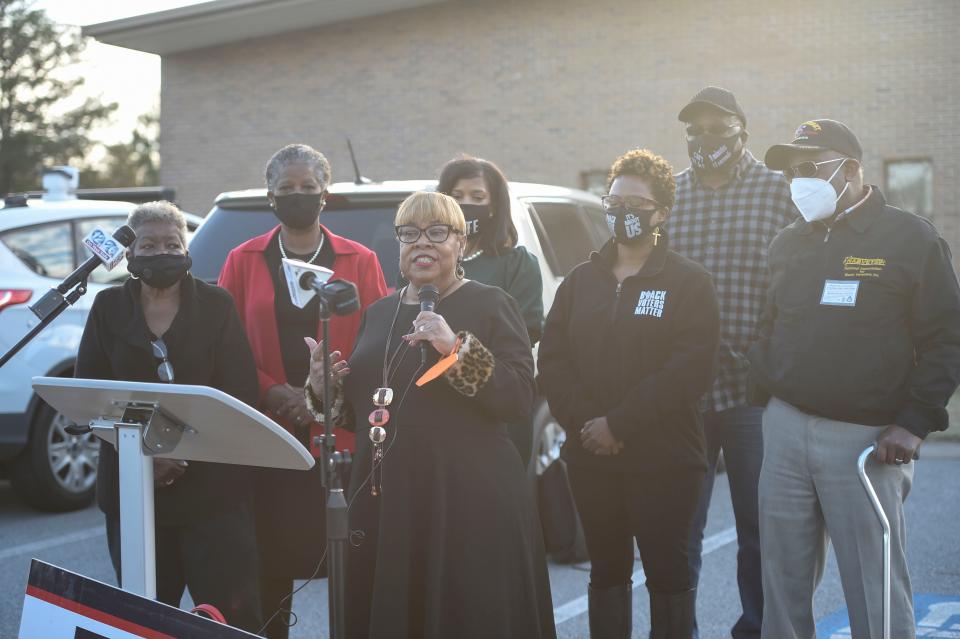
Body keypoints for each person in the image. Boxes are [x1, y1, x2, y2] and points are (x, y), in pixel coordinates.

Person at [307, 191, 556, 639]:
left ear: (460, 243)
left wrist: (455, 350)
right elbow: (368, 412)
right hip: (389, 501)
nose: (422, 243)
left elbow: (519, 397)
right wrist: (324, 392)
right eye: (410, 234)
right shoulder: (379, 312)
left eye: (437, 233)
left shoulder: (491, 303)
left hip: (467, 501)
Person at [750, 119, 960, 639]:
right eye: (791, 171)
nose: (799, 179)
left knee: (875, 584)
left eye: (810, 167)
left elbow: (947, 337)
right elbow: (769, 324)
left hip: (867, 442)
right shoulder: (787, 244)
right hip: (787, 428)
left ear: (851, 169)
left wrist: (914, 422)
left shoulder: (909, 239)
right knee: (781, 579)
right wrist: (769, 396)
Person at [538, 149, 720, 638]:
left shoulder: (688, 282)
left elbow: (689, 369)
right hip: (591, 455)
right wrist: (589, 424)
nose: (621, 212)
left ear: (660, 212)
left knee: (667, 570)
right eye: (613, 200)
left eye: (635, 203)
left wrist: (619, 424)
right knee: (607, 569)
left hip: (665, 457)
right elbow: (554, 362)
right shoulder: (580, 282)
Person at [218, 143, 387, 638]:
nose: (297, 196)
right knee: (269, 564)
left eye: (307, 188)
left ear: (325, 196)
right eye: (286, 189)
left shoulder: (359, 259)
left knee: (349, 561)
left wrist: (322, 394)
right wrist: (276, 393)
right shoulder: (242, 259)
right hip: (267, 435)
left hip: (343, 437)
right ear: (270, 197)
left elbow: (377, 342)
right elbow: (224, 347)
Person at [77, 201, 262, 632]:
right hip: (132, 489)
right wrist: (146, 455)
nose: (162, 253)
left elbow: (240, 393)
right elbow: (88, 397)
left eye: (172, 243)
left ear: (186, 248)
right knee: (144, 619)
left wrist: (176, 452)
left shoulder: (217, 305)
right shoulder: (107, 308)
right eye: (149, 245)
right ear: (129, 254)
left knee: (230, 618)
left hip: (212, 494)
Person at [670, 86, 795, 639]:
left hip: (753, 391)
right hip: (684, 392)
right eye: (694, 130)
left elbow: (801, 282)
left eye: (715, 127)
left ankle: (757, 628)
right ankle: (679, 629)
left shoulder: (778, 193)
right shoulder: (670, 196)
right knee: (680, 527)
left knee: (759, 528)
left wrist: (770, 355)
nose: (704, 138)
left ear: (742, 129)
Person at [436, 155, 543, 465]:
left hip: (494, 401)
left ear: (494, 205)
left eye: (477, 197)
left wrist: (458, 351)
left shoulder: (517, 263)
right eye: (456, 197)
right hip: (434, 406)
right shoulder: (426, 261)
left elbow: (525, 333)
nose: (466, 204)